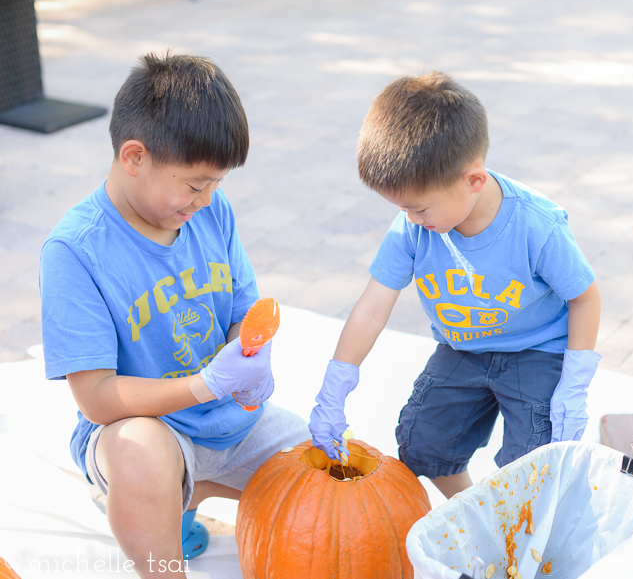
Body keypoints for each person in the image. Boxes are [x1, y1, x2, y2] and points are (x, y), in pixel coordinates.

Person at [39, 52, 309, 578]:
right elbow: (96, 398)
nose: (206, 200)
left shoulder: (213, 212)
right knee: (141, 452)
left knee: (327, 470)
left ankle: (183, 496)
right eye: (194, 185)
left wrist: (251, 357)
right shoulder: (75, 250)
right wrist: (205, 385)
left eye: (217, 185)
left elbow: (242, 311)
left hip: (231, 421)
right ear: (134, 157)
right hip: (145, 430)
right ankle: (160, 542)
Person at [309, 71, 602, 498]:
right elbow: (372, 307)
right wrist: (336, 384)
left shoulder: (536, 225)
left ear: (473, 181)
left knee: (534, 466)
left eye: (419, 208)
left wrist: (574, 385)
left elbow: (586, 297)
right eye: (403, 208)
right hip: (463, 350)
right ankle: (473, 511)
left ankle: (517, 529)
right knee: (423, 443)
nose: (411, 218)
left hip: (536, 351)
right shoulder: (415, 227)